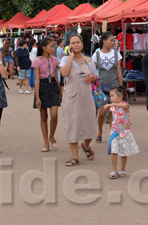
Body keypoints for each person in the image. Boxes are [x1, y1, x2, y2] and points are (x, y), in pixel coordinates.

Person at [60, 34, 98, 166]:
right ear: (69, 45)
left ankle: (86, 145)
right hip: (71, 98)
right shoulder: (65, 59)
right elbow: (64, 73)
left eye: (78, 42)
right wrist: (70, 57)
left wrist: (92, 78)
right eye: (72, 43)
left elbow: (95, 76)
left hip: (86, 97)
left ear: (82, 44)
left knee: (90, 124)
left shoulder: (89, 60)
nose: (76, 44)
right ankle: (75, 156)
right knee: (72, 125)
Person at [92, 31, 124, 142]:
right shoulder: (96, 55)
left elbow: (119, 70)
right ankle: (99, 130)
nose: (113, 43)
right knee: (102, 111)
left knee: (112, 111)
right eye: (110, 40)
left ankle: (112, 132)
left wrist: (121, 86)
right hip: (100, 85)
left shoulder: (116, 54)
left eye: (113, 41)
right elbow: (92, 71)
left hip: (114, 84)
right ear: (104, 41)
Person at [32, 37, 60, 152]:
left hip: (53, 86)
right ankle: (45, 142)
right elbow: (37, 80)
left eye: (54, 46)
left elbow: (57, 77)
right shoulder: (37, 61)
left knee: (54, 114)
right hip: (42, 87)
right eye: (51, 46)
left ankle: (52, 136)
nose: (53, 49)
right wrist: (37, 97)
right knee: (43, 116)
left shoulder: (55, 60)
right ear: (44, 48)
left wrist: (60, 91)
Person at [105, 87, 139, 179]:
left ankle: (122, 169)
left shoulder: (125, 104)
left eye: (112, 96)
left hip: (124, 132)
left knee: (124, 152)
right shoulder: (113, 107)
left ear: (120, 96)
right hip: (115, 132)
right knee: (113, 151)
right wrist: (111, 129)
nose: (111, 98)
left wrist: (111, 104)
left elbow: (124, 107)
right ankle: (114, 170)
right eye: (110, 96)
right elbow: (113, 118)